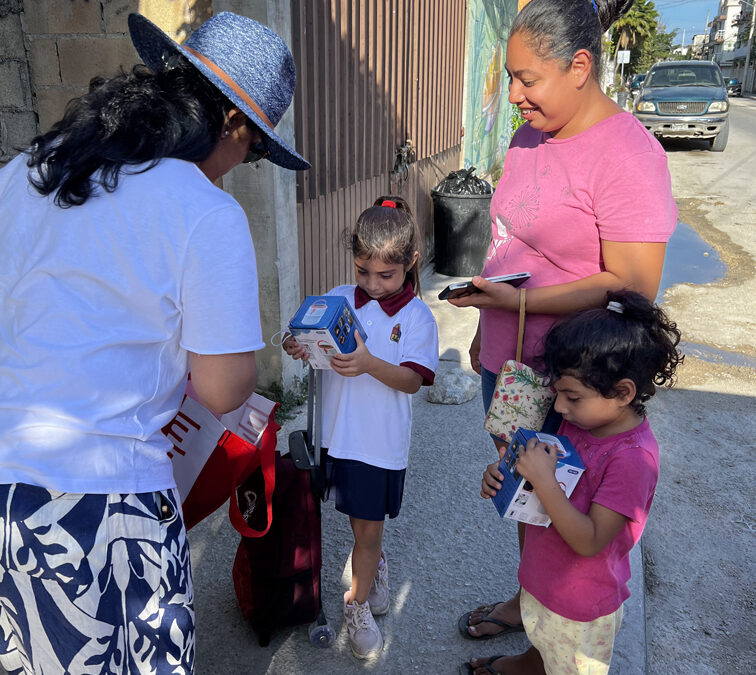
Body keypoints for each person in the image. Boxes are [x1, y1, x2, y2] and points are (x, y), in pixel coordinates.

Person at [0, 11, 308, 675]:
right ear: (232, 124)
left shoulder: (30, 168)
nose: (244, 167)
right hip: (103, 508)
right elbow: (224, 388)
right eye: (254, 149)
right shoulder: (204, 211)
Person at [450, 0, 678, 639]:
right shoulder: (529, 135)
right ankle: (531, 603)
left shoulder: (628, 156)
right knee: (525, 492)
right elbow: (509, 242)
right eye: (511, 77)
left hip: (573, 380)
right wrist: (483, 325)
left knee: (567, 503)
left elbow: (633, 288)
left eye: (528, 79)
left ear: (580, 66)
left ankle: (561, 630)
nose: (514, 95)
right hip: (512, 365)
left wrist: (515, 305)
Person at [462, 290, 683, 674]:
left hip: (580, 609)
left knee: (565, 659)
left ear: (623, 392)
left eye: (571, 397)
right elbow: (554, 485)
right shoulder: (586, 421)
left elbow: (590, 539)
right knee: (544, 639)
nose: (559, 407)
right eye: (558, 393)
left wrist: (544, 482)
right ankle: (532, 663)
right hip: (543, 578)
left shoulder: (633, 458)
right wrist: (507, 478)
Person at [283, 196, 439, 659]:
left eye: (386, 275)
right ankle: (376, 568)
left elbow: (412, 381)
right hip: (334, 436)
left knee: (366, 533)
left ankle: (357, 603)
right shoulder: (335, 299)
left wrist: (369, 362)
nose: (372, 285)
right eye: (361, 271)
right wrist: (300, 345)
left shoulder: (416, 317)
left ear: (411, 262)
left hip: (377, 444)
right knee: (352, 521)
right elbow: (314, 349)